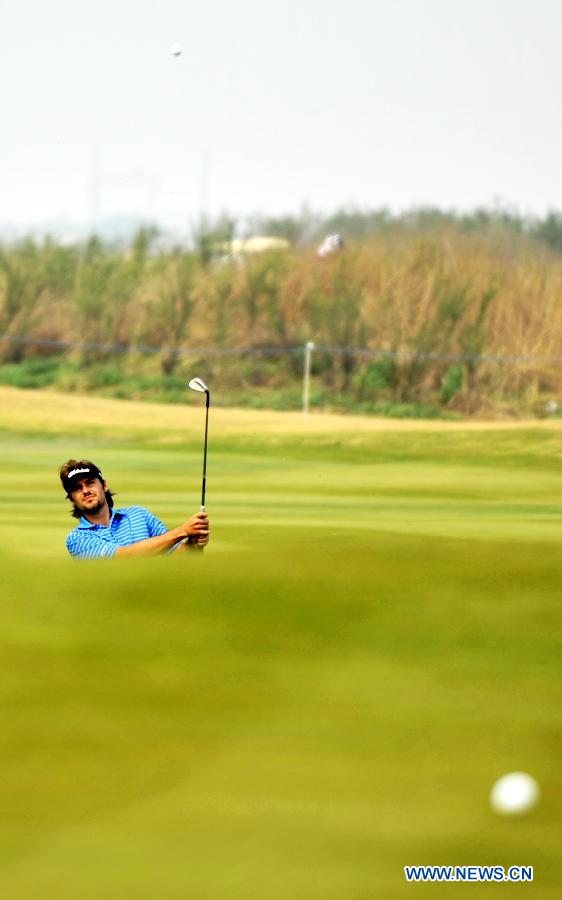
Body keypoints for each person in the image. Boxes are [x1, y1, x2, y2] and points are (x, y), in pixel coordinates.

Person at [59, 459, 209, 559]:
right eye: (77, 488)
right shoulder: (77, 539)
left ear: (104, 486)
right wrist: (183, 531)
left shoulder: (139, 515)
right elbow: (125, 557)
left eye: (90, 483)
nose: (85, 490)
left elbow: (181, 557)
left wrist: (193, 543)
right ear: (72, 498)